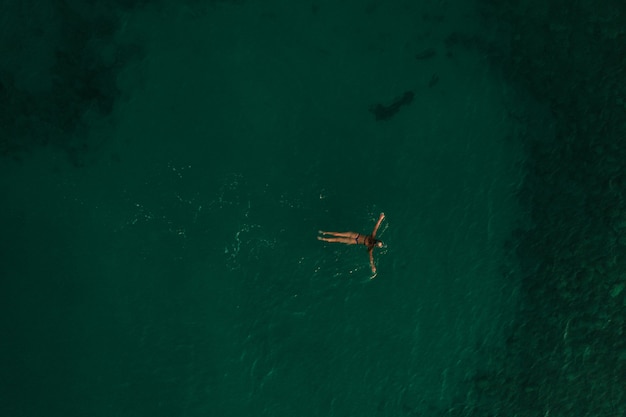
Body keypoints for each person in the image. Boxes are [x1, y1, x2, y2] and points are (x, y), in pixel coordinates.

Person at [318, 213, 385, 277]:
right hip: (355, 240)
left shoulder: (372, 239)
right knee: (338, 238)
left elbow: (375, 228)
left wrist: (380, 218)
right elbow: (371, 257)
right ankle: (323, 237)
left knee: (338, 236)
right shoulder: (371, 246)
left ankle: (324, 234)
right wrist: (373, 266)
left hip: (355, 237)